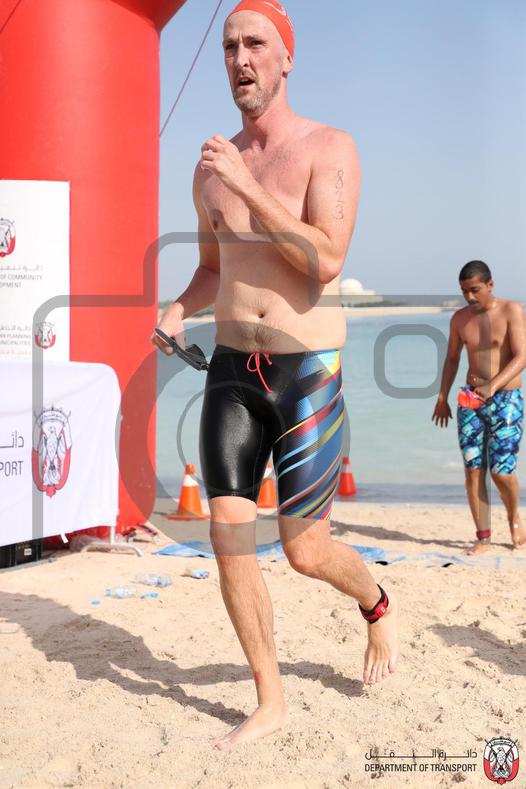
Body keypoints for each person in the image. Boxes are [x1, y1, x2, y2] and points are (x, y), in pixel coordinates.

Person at [152, 0, 398, 749]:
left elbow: (325, 260)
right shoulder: (212, 169)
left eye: (255, 43)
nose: (240, 58)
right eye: (229, 46)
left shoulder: (330, 148)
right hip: (232, 369)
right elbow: (212, 266)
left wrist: (249, 185)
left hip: (307, 373)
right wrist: (178, 307)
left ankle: (377, 602)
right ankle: (270, 698)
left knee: (304, 549)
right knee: (228, 534)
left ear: (287, 57)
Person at [432, 260, 526, 555]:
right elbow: (452, 359)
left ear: (490, 285)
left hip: (506, 401)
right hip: (470, 402)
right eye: (464, 291)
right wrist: (442, 397)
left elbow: (522, 356)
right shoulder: (460, 319)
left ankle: (514, 517)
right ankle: (483, 537)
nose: (469, 296)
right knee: (473, 470)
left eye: (474, 290)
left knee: (501, 472)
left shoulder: (511, 310)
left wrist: (493, 386)